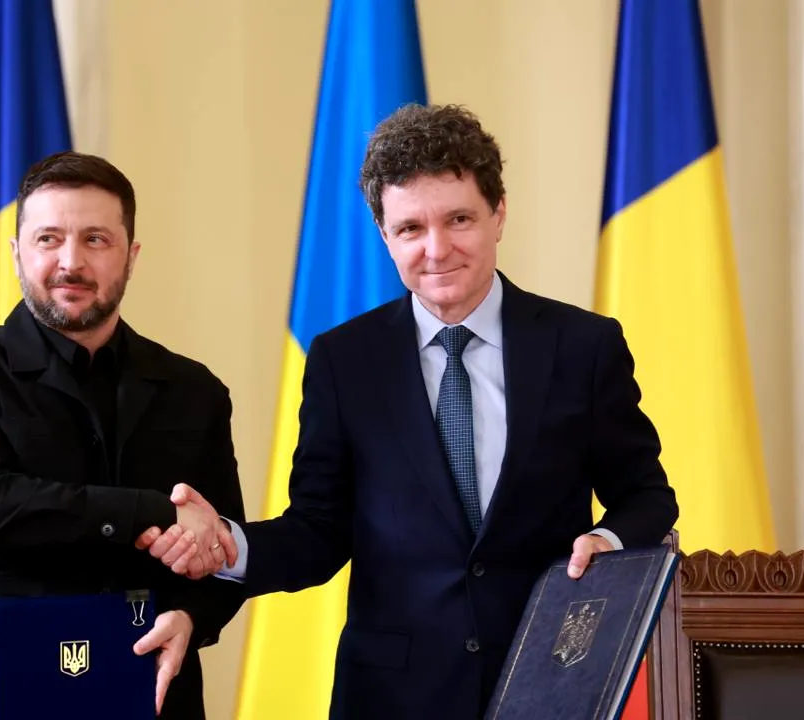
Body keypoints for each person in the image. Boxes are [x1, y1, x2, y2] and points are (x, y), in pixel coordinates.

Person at [138, 104, 679, 718]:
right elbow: (319, 530)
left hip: (548, 680)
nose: (437, 249)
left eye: (459, 219)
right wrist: (229, 545)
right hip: (391, 696)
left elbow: (646, 495)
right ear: (383, 234)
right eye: (411, 228)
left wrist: (609, 542)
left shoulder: (583, 346)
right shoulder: (344, 360)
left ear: (499, 214)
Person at [0, 150, 245, 720]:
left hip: (153, 690)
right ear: (17, 253)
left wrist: (193, 615)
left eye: (96, 239)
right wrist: (150, 512)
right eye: (48, 239)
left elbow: (222, 547)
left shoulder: (195, 390)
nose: (71, 262)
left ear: (131, 257)